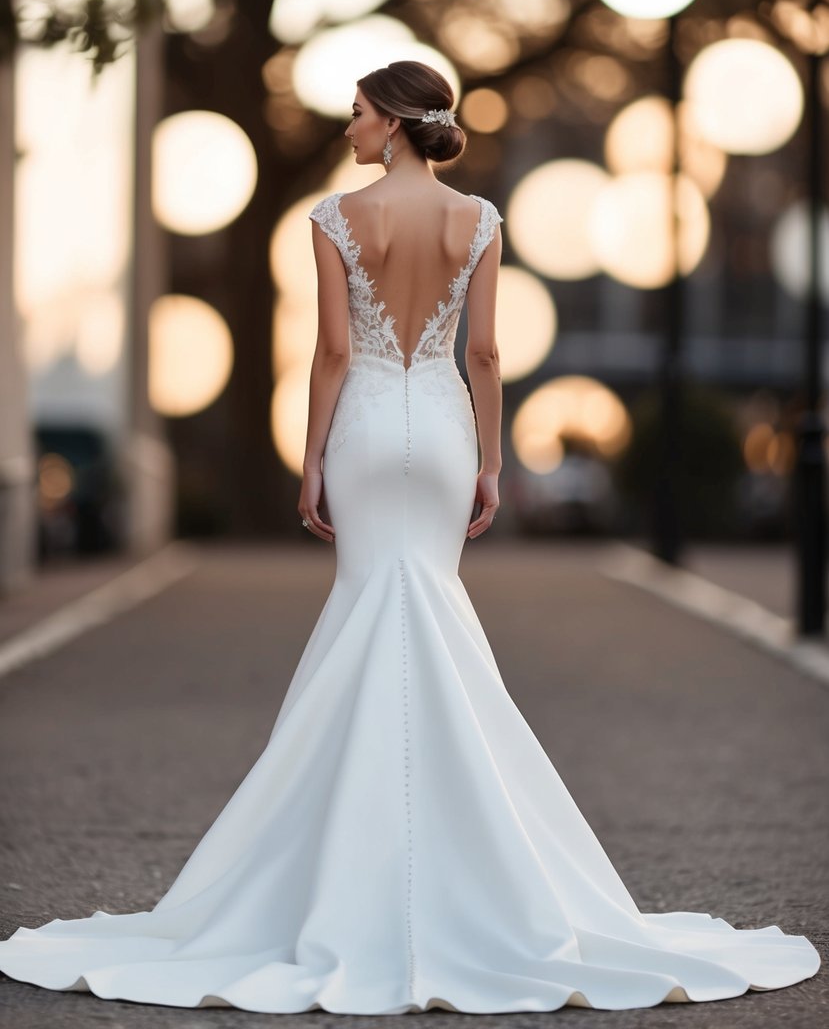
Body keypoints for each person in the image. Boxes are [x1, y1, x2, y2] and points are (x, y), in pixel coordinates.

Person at [0, 61, 820, 1015]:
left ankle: (347, 863)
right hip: (438, 429)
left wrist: (309, 460)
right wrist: (490, 460)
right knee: (428, 608)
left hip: (359, 432)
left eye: (354, 113)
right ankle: (468, 861)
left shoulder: (334, 221)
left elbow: (337, 353)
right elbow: (483, 352)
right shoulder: (479, 221)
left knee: (368, 610)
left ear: (391, 122)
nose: (345, 128)